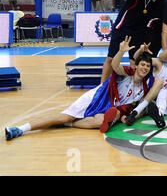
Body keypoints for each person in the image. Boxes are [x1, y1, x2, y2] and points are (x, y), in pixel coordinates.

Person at [5, 37, 154, 140]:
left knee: (99, 123)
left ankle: (67, 124)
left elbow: (135, 108)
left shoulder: (144, 89)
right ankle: (21, 129)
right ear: (137, 66)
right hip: (98, 97)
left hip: (109, 107)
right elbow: (115, 65)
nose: (145, 68)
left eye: (147, 66)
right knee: (65, 116)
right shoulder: (127, 73)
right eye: (142, 64)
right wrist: (121, 51)